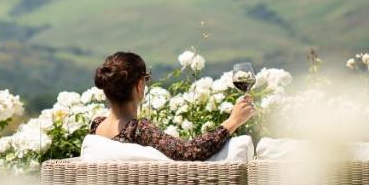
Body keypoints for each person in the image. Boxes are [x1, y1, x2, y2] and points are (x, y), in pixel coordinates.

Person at [88, 51, 254, 160]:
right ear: (139, 85)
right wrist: (233, 121)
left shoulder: (96, 127)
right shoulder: (138, 131)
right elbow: (191, 151)